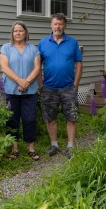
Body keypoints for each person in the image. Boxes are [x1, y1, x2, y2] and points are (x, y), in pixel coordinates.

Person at [38, 12, 83, 159]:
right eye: (55, 23)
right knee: (50, 117)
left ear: (64, 26)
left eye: (61, 24)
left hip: (68, 87)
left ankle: (70, 146)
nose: (58, 26)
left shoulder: (72, 42)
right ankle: (54, 145)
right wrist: (40, 84)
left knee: (71, 117)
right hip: (49, 87)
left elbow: (79, 63)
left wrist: (75, 84)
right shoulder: (43, 43)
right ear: (51, 25)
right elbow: (37, 65)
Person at [0, 21, 41, 161]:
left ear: (25, 32)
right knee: (12, 120)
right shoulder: (6, 48)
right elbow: (4, 68)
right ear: (12, 33)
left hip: (30, 91)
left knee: (30, 119)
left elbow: (37, 68)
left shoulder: (33, 49)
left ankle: (31, 148)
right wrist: (20, 81)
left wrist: (27, 82)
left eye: (20, 31)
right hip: (12, 90)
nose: (18, 33)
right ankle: (14, 149)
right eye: (15, 31)